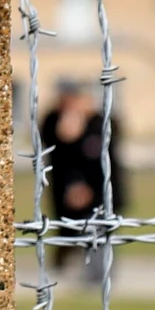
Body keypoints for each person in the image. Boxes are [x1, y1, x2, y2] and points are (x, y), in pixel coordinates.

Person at [38, 83, 127, 283]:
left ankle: (99, 276)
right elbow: (57, 150)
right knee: (69, 230)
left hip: (102, 193)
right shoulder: (56, 121)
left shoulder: (99, 124)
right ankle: (68, 268)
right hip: (67, 191)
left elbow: (99, 159)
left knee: (99, 232)